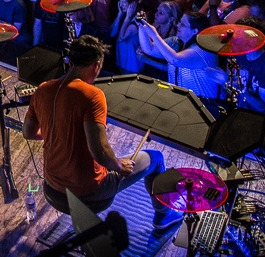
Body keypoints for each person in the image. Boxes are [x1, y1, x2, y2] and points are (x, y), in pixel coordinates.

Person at [22, 35, 182, 233]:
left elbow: (28, 132)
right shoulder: (92, 95)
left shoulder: (43, 89)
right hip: (89, 192)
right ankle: (164, 217)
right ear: (96, 65)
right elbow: (100, 151)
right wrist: (118, 165)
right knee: (156, 159)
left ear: (70, 61)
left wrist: (57, 134)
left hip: (52, 187)